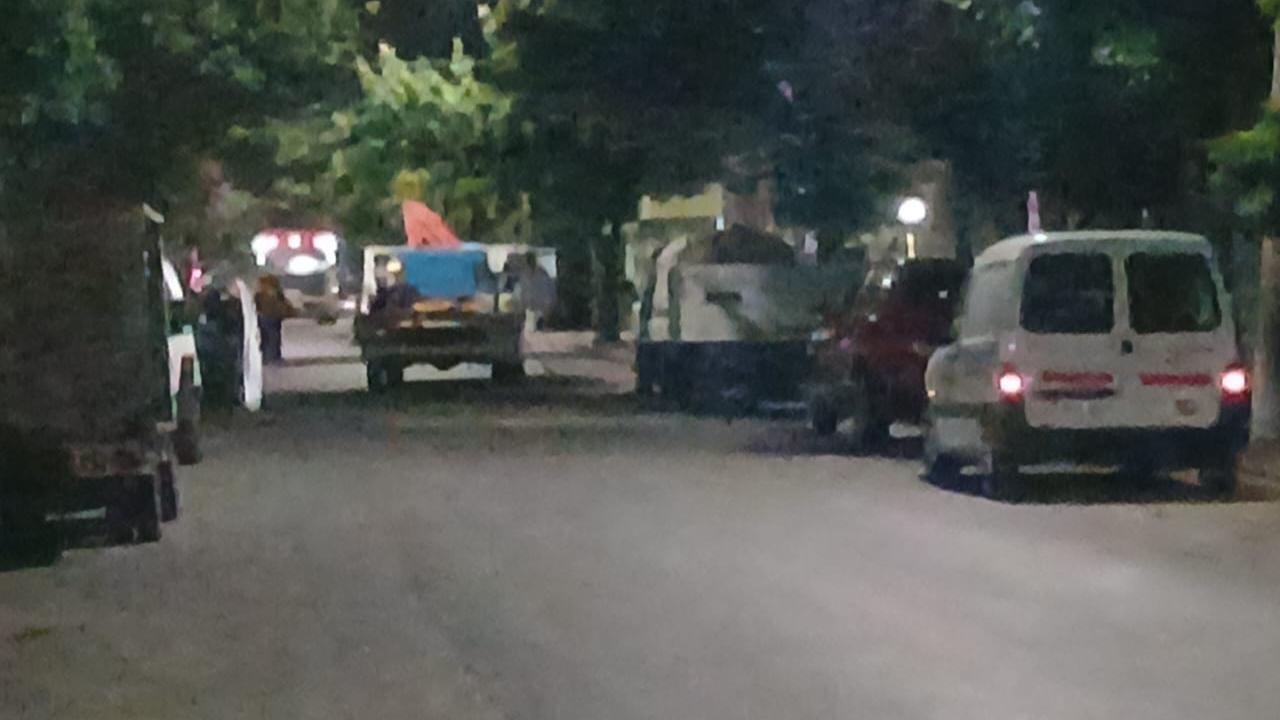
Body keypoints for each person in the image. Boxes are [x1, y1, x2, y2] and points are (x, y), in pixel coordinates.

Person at [254, 275, 294, 364]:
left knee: (268, 338)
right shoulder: (273, 293)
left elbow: (257, 305)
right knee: (272, 338)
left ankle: (268, 357)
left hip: (268, 317)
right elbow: (284, 303)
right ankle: (272, 357)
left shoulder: (260, 294)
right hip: (271, 317)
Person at [515, 251, 556, 332]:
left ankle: (539, 324)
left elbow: (547, 292)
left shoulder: (538, 274)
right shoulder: (526, 274)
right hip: (537, 306)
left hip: (539, 306)